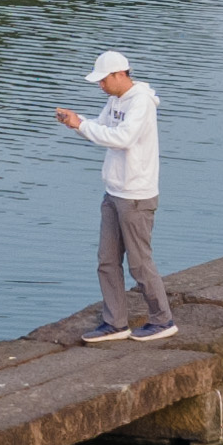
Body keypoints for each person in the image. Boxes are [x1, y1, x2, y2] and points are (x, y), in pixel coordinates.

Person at [54, 50, 177, 343]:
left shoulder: (142, 102)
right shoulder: (115, 100)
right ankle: (115, 322)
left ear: (120, 74)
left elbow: (123, 138)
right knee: (107, 260)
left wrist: (81, 125)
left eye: (104, 80)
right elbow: (103, 129)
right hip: (114, 191)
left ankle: (163, 319)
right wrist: (78, 121)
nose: (101, 86)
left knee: (139, 262)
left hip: (136, 195)